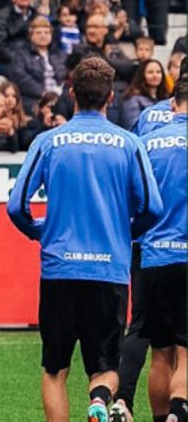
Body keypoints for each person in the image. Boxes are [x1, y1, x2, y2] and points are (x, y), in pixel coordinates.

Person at [7, 57, 163, 422]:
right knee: (105, 368)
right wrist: (124, 234)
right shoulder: (128, 144)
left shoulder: (49, 142)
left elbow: (17, 207)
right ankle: (97, 401)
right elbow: (153, 208)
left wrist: (40, 232)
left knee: (54, 369)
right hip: (108, 270)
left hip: (60, 268)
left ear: (71, 92)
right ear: (111, 96)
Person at [112, 78, 188, 422]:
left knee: (159, 352)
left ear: (173, 105)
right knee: (185, 354)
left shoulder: (147, 142)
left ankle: (155, 415)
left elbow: (131, 195)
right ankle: (177, 411)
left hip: (153, 253)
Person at [11, 16, 66, 115]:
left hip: (60, 97)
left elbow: (66, 76)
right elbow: (21, 78)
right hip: (34, 99)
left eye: (46, 32)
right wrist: (43, 93)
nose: (43, 36)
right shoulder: (21, 54)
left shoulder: (60, 54)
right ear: (31, 35)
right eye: (38, 33)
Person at [0, 0, 36, 78]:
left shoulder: (37, 16)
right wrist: (21, 60)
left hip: (33, 61)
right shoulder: (1, 16)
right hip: (9, 61)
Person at [120, 59, 170, 130]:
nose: (155, 75)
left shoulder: (166, 99)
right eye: (150, 72)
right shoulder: (133, 100)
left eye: (158, 72)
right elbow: (132, 127)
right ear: (142, 75)